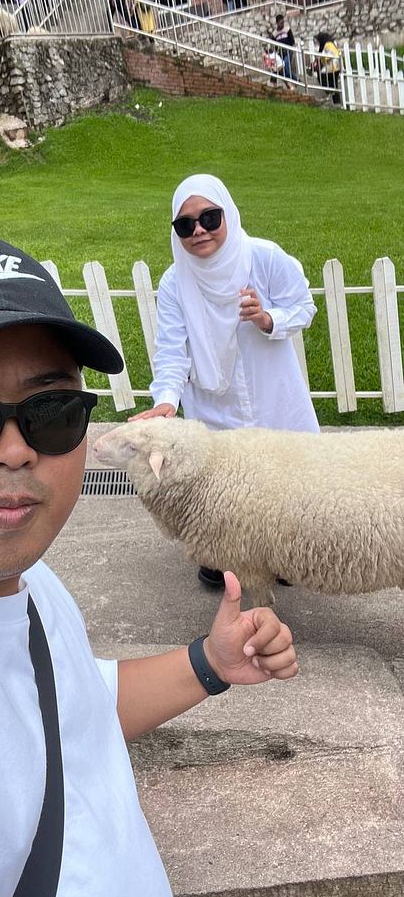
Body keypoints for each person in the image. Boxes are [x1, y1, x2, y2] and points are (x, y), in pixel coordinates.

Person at [0, 232, 298, 897]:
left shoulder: (20, 578)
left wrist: (209, 664)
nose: (16, 450)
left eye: (52, 413)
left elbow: (62, 710)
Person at [130, 174, 319, 589]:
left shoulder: (263, 258)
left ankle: (284, 555)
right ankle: (226, 556)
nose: (199, 230)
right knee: (224, 486)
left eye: (210, 218)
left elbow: (303, 306)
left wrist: (268, 318)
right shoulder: (175, 282)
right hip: (214, 399)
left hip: (272, 392)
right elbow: (173, 350)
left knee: (284, 478)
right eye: (185, 225)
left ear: (227, 213)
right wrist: (166, 400)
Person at [314, 32, 341, 104]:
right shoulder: (329, 44)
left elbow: (330, 55)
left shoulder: (328, 45)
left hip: (332, 67)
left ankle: (331, 95)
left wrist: (322, 59)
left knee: (323, 79)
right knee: (333, 85)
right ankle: (336, 101)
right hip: (334, 67)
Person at [272, 13, 296, 80]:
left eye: (283, 22)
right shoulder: (274, 34)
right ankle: (295, 80)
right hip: (281, 52)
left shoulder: (287, 29)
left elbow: (292, 41)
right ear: (277, 23)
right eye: (281, 23)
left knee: (286, 66)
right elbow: (274, 45)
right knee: (283, 69)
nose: (282, 24)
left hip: (288, 50)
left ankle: (297, 80)